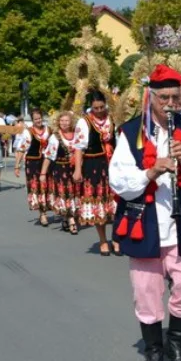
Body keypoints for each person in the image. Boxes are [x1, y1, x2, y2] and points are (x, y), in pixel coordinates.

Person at [109, 65, 181, 361]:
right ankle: (154, 352)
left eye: (176, 97)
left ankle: (177, 343)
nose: (171, 103)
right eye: (165, 97)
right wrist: (151, 171)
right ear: (151, 97)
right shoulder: (131, 131)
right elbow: (119, 180)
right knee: (147, 291)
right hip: (145, 223)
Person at [75, 92, 119, 256]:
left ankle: (116, 239)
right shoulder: (84, 121)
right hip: (93, 166)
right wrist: (78, 169)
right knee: (98, 205)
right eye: (95, 108)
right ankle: (102, 240)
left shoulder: (112, 118)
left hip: (113, 165)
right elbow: (79, 147)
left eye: (101, 107)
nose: (99, 110)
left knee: (116, 204)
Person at [41, 112, 83, 235]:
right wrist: (43, 173)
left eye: (67, 120)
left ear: (72, 122)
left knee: (75, 193)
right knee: (66, 194)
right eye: (62, 120)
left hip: (75, 168)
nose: (64, 123)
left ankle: (66, 218)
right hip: (61, 169)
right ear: (58, 122)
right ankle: (71, 221)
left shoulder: (77, 135)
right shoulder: (55, 137)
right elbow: (48, 157)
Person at [14, 110, 51, 226]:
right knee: (37, 188)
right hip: (33, 163)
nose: (38, 121)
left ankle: (46, 210)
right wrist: (17, 166)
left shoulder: (48, 130)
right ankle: (42, 214)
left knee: (46, 188)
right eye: (36, 119)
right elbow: (21, 149)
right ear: (32, 120)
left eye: (40, 118)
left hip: (46, 163)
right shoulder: (28, 132)